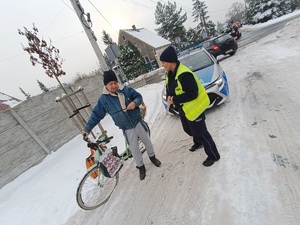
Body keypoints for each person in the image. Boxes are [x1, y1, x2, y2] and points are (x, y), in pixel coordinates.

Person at [82, 70, 161, 180]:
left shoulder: (126, 90)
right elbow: (96, 115)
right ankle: (141, 167)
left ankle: (153, 158)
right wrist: (87, 129)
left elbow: (138, 97)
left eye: (115, 82)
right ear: (106, 85)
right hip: (127, 127)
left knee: (147, 141)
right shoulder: (104, 100)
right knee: (134, 149)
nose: (114, 85)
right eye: (111, 84)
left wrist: (134, 103)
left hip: (137, 122)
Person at [160, 46, 220, 167]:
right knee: (188, 129)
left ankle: (214, 155)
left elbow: (193, 94)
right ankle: (198, 142)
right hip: (184, 107)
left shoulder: (184, 75)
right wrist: (169, 96)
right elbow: (169, 87)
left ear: (171, 61)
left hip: (195, 107)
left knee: (202, 133)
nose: (162, 65)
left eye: (164, 62)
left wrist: (175, 99)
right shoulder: (170, 73)